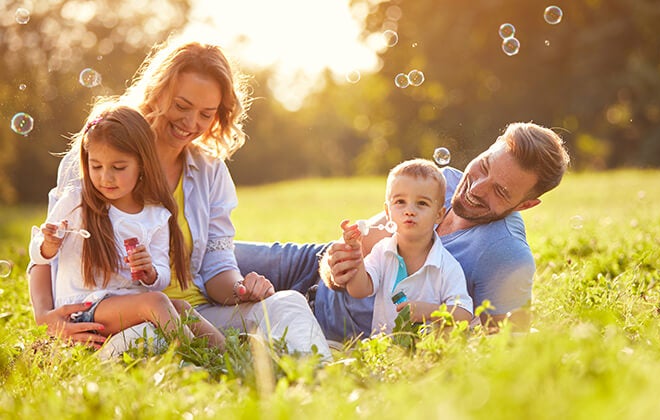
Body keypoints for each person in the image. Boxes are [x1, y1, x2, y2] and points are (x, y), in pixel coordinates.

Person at [28, 38, 331, 359]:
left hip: (194, 315)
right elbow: (46, 255)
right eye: (182, 106)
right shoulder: (99, 154)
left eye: (206, 113)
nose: (191, 123)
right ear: (157, 92)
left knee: (288, 303)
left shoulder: (208, 170)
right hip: (116, 317)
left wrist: (242, 290)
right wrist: (45, 319)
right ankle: (223, 362)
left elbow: (217, 265)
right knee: (146, 342)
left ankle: (315, 379)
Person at [235, 121, 570, 341]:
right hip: (309, 264)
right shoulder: (447, 180)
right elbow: (363, 239)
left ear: (525, 205)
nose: (476, 188)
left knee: (217, 306)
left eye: (500, 191)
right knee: (209, 254)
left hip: (328, 326)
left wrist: (433, 317)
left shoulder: (506, 254)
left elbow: (503, 346)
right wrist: (335, 265)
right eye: (483, 166)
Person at [29, 105, 225, 350]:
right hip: (83, 309)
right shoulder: (76, 201)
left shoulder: (155, 215)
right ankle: (195, 355)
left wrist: (150, 272)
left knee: (182, 308)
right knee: (156, 302)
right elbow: (38, 257)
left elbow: (162, 274)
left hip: (124, 305)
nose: (105, 178)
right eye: (96, 166)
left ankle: (226, 351)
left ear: (142, 165)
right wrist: (47, 246)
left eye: (118, 168)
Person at [335, 159, 472, 335]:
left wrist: (431, 311)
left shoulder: (446, 265)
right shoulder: (382, 251)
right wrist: (354, 253)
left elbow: (464, 314)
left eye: (422, 203)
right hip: (386, 351)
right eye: (400, 202)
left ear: (439, 215)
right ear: (387, 212)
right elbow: (359, 290)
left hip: (428, 353)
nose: (409, 210)